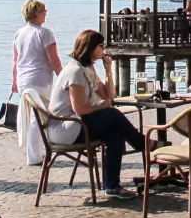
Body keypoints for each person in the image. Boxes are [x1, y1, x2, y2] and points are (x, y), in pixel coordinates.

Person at [47, 29, 146, 200]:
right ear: (91, 47)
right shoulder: (75, 72)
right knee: (113, 115)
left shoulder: (88, 68)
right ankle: (141, 143)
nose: (104, 49)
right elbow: (80, 109)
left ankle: (112, 186)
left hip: (79, 123)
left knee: (115, 134)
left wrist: (108, 69)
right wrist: (100, 107)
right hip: (66, 128)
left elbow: (109, 96)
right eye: (101, 46)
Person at [12, 0, 63, 166]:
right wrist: (63, 78)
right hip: (40, 80)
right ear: (36, 13)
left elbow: (16, 60)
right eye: (43, 11)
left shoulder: (19, 33)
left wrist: (14, 81)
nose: (46, 13)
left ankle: (38, 152)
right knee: (40, 118)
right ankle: (35, 156)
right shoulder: (45, 33)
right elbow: (53, 59)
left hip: (23, 79)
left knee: (36, 115)